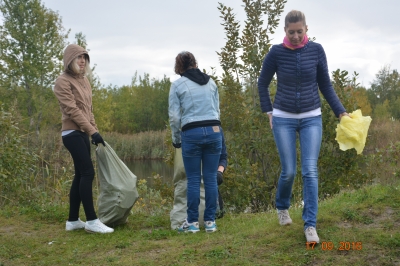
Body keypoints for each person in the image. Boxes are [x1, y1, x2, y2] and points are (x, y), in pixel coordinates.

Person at [257, 10, 349, 243]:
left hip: (311, 117)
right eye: (291, 32)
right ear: (285, 31)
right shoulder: (276, 52)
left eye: (300, 31)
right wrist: (269, 111)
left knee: (310, 171)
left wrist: (341, 111)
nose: (296, 36)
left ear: (306, 29)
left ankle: (310, 226)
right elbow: (262, 83)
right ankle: (282, 207)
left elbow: (325, 84)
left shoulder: (317, 51)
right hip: (283, 118)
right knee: (288, 171)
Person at [53, 44, 114, 234]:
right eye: (78, 57)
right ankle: (92, 220)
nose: (82, 61)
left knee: (80, 174)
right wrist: (91, 131)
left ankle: (72, 221)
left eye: (85, 58)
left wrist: (94, 131)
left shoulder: (85, 81)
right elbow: (73, 110)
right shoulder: (62, 81)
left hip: (82, 133)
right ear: (69, 60)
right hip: (71, 133)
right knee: (88, 173)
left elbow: (88, 110)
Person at [169, 51, 222, 233]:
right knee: (210, 178)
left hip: (191, 132)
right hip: (215, 131)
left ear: (179, 67)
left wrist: (176, 139)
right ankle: (210, 223)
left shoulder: (177, 85)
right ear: (195, 63)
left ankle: (192, 224)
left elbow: (175, 117)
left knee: (193, 179)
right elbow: (217, 110)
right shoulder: (212, 82)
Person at [170, 128, 227, 229]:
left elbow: (223, 157)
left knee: (197, 180)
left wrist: (219, 172)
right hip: (190, 184)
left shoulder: (215, 129)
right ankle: (209, 222)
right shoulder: (212, 128)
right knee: (197, 180)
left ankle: (193, 222)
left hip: (205, 182)